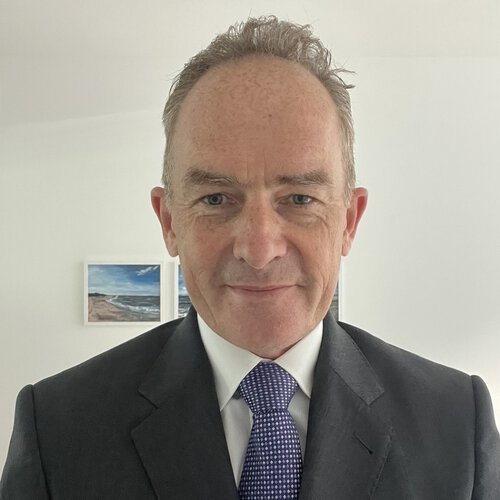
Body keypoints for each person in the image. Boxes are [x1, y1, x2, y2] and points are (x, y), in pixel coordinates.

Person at [1, 16, 499, 499]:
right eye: (216, 198)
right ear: (170, 221)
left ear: (349, 220)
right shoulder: (58, 430)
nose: (259, 251)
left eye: (299, 198)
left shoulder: (457, 422)